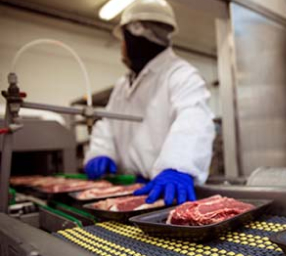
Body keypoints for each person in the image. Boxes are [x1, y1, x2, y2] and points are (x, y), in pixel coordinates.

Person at [84, 0, 215, 206]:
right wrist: (101, 152)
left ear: (134, 35)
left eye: (123, 39)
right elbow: (108, 123)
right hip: (128, 189)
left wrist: (177, 166)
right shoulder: (122, 85)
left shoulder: (181, 74)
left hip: (165, 190)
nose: (122, 47)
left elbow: (194, 118)